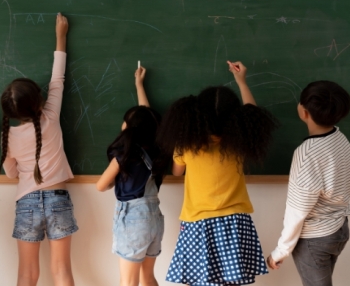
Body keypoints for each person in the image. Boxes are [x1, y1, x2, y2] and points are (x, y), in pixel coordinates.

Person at [160, 61, 278, 285]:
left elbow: (176, 173)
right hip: (235, 222)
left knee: (200, 280)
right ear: (235, 116)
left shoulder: (186, 145)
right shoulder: (240, 142)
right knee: (231, 281)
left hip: (198, 222)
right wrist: (241, 81)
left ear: (197, 115)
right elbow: (252, 115)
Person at [0, 13, 77, 286]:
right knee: (62, 271)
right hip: (58, 199)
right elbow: (57, 79)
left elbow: (11, 174)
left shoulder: (9, 137)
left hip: (26, 202)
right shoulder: (50, 117)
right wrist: (61, 36)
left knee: (27, 274)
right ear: (39, 102)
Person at [267, 81, 350, 286]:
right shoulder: (341, 138)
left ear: (304, 112)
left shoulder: (307, 153)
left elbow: (298, 209)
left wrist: (280, 251)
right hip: (338, 229)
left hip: (315, 238)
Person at [96, 66, 169, 286]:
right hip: (154, 218)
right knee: (148, 277)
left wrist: (113, 184)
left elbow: (101, 186)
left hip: (133, 220)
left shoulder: (123, 156)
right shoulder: (158, 151)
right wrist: (139, 85)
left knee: (128, 282)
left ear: (129, 128)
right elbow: (146, 117)